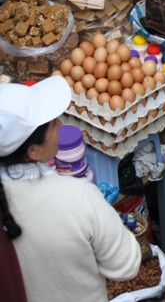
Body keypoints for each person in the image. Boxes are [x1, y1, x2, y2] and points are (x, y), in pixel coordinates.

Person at [0, 76, 141, 302]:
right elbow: (126, 265)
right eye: (51, 123)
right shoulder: (78, 197)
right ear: (33, 152)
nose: (59, 124)